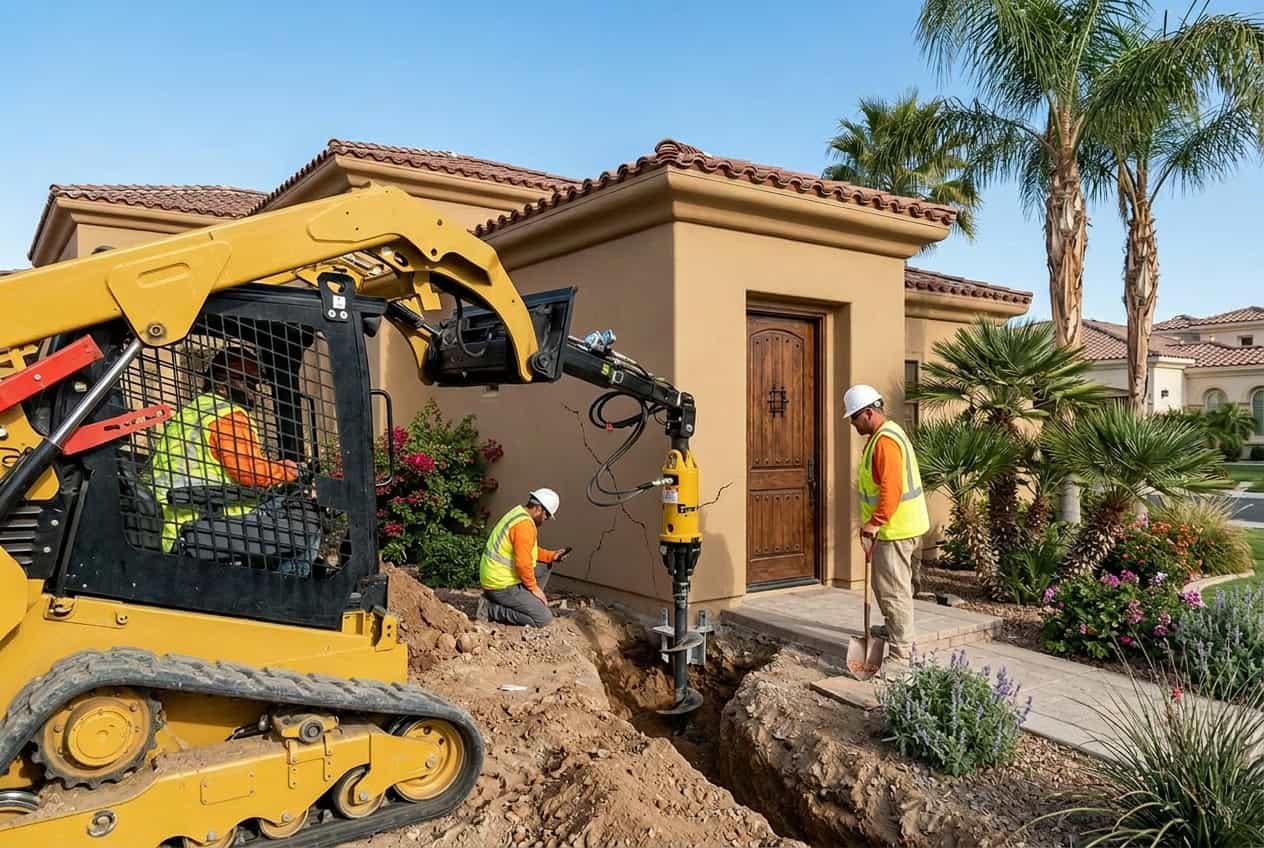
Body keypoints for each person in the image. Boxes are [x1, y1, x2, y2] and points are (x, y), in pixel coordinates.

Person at [147, 347, 300, 556]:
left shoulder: (190, 413)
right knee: (304, 523)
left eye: (256, 385)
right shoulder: (228, 416)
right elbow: (248, 472)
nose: (255, 393)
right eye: (249, 384)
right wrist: (289, 471)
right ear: (221, 386)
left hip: (172, 527)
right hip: (212, 525)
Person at [843, 384, 929, 665]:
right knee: (889, 588)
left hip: (894, 530)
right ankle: (894, 629)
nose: (852, 424)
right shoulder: (887, 434)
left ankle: (902, 655)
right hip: (903, 526)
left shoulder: (885, 443)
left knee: (893, 592)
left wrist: (875, 522)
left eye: (854, 418)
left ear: (868, 413)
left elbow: (892, 489)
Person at [478, 488, 572, 627]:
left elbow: (528, 550)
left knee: (545, 565)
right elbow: (523, 564)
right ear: (539, 509)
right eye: (547, 515)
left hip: (497, 577)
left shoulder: (518, 514)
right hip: (500, 584)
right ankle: (489, 610)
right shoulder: (524, 525)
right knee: (543, 619)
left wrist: (551, 556)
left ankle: (527, 603)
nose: (545, 519)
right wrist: (534, 589)